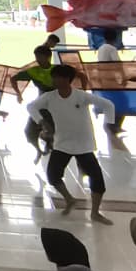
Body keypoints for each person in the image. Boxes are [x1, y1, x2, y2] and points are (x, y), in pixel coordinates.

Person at [27, 64, 117, 223]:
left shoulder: (81, 96)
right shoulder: (49, 97)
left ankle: (95, 213)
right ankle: (69, 199)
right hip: (62, 143)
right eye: (54, 77)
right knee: (53, 176)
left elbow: (108, 105)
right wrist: (42, 122)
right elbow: (31, 107)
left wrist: (109, 124)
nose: (54, 80)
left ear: (67, 79)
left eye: (57, 77)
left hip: (83, 144)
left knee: (96, 178)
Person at [15, 45, 57, 158]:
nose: (37, 60)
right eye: (36, 57)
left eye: (40, 57)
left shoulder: (57, 70)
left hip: (55, 107)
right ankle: (38, 149)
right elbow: (13, 78)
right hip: (41, 105)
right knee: (29, 131)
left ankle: (50, 145)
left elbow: (79, 75)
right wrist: (18, 93)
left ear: (48, 57)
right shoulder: (34, 71)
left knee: (53, 131)